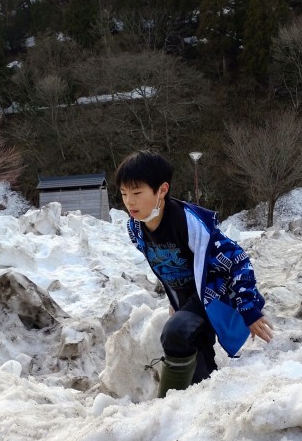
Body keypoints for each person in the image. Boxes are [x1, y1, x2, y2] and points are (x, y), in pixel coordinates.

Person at [115, 150, 273, 398]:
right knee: (199, 366)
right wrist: (175, 301)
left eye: (137, 193)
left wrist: (249, 308)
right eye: (124, 194)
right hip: (186, 299)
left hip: (211, 294)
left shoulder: (188, 224)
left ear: (162, 190)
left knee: (175, 333)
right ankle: (204, 403)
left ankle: (165, 404)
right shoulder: (136, 227)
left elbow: (238, 259)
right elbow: (165, 266)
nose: (129, 202)